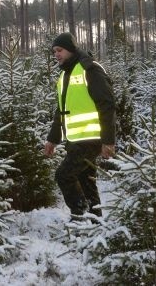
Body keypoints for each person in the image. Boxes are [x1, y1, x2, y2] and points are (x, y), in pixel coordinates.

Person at [43, 32, 116, 219]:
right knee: (86, 182)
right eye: (54, 52)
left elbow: (106, 104)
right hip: (76, 139)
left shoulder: (89, 69)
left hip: (90, 140)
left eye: (60, 50)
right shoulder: (65, 75)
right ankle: (96, 223)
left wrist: (108, 141)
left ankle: (80, 216)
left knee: (63, 175)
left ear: (70, 49)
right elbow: (61, 111)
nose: (56, 54)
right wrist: (52, 139)